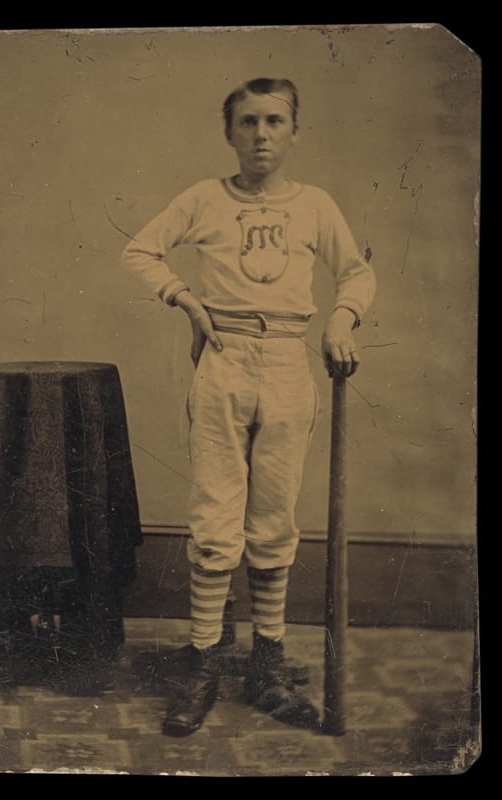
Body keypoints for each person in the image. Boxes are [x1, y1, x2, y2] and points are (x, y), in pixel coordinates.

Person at [122, 77, 376, 736]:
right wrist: (185, 299)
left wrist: (342, 319)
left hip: (289, 363)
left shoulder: (314, 204)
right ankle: (204, 663)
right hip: (223, 364)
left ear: (293, 131)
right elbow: (141, 249)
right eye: (246, 123)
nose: (260, 135)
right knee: (213, 522)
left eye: (272, 122)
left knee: (271, 522)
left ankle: (265, 663)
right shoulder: (204, 199)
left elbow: (356, 271)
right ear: (228, 132)